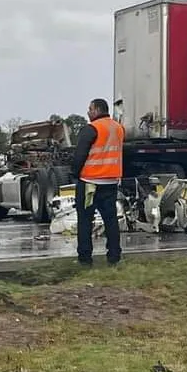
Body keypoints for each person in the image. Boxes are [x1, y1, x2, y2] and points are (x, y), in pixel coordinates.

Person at [70, 98, 125, 266]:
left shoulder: (91, 129)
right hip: (111, 181)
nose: (88, 112)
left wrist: (75, 173)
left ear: (97, 110)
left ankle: (85, 258)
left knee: (85, 220)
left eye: (90, 109)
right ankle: (114, 256)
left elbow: (80, 155)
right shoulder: (118, 128)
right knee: (111, 220)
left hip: (90, 182)